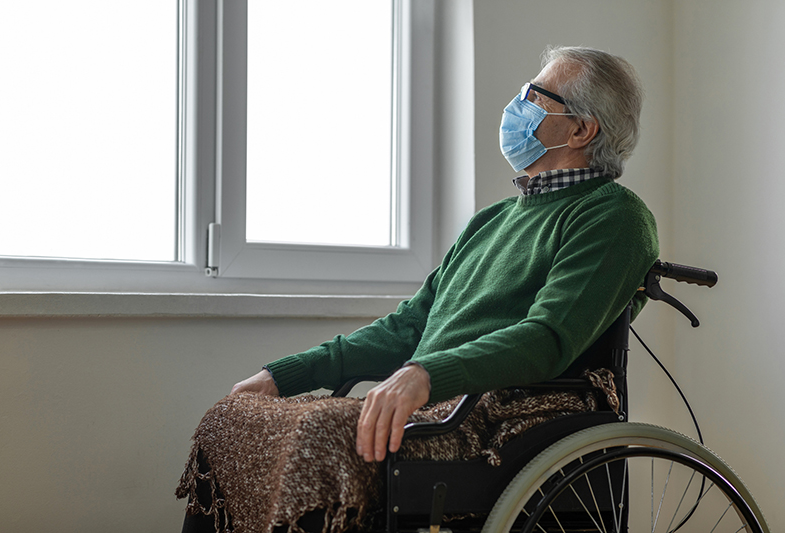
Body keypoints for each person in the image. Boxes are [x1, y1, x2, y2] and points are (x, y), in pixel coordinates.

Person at [180, 45, 659, 533]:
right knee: (233, 421)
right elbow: (408, 326)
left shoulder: (613, 216)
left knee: (316, 436)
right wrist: (286, 375)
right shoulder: (492, 221)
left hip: (506, 416)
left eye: (536, 96)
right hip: (440, 401)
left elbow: (548, 337)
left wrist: (425, 374)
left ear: (581, 129)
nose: (518, 104)